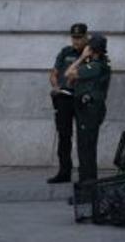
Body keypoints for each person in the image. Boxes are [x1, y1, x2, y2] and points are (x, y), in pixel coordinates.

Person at [65, 34, 111, 184]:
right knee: (85, 148)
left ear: (91, 49)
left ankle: (88, 185)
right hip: (87, 109)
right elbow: (71, 80)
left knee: (86, 149)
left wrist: (80, 58)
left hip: (89, 110)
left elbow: (68, 73)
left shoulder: (95, 66)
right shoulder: (94, 64)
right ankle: (86, 182)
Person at [47, 23, 88, 184]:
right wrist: (55, 86)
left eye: (79, 38)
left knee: (84, 137)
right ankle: (64, 171)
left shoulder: (90, 53)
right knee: (64, 136)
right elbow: (54, 73)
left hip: (81, 98)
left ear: (86, 36)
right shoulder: (65, 52)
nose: (76, 41)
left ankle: (85, 174)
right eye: (74, 38)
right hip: (64, 98)